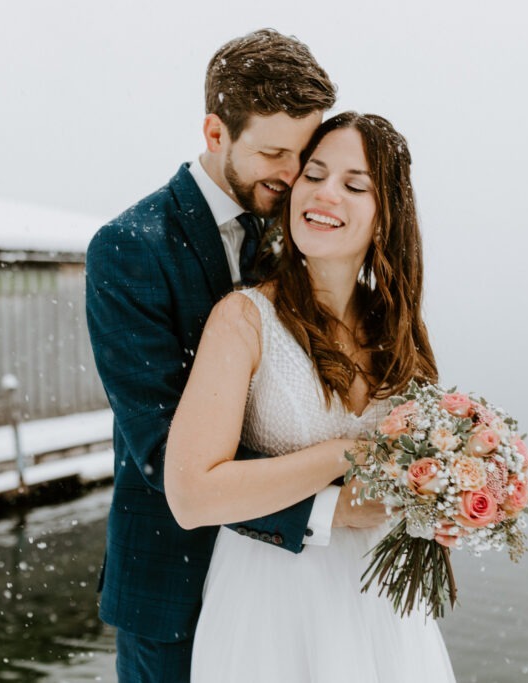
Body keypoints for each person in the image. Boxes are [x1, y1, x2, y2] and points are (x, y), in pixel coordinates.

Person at [85, 31, 388, 683]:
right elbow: (165, 449)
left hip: (291, 592)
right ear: (216, 133)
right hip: (175, 580)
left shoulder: (300, 229)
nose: (293, 174)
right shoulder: (128, 249)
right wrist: (333, 504)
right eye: (274, 152)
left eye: (302, 153)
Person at [165, 112, 456, 681]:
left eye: (354, 185)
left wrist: (441, 509)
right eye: (314, 175)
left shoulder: (400, 332)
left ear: (385, 216)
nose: (324, 194)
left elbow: (419, 471)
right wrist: (345, 454)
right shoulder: (245, 319)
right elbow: (191, 494)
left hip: (382, 612)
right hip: (271, 606)